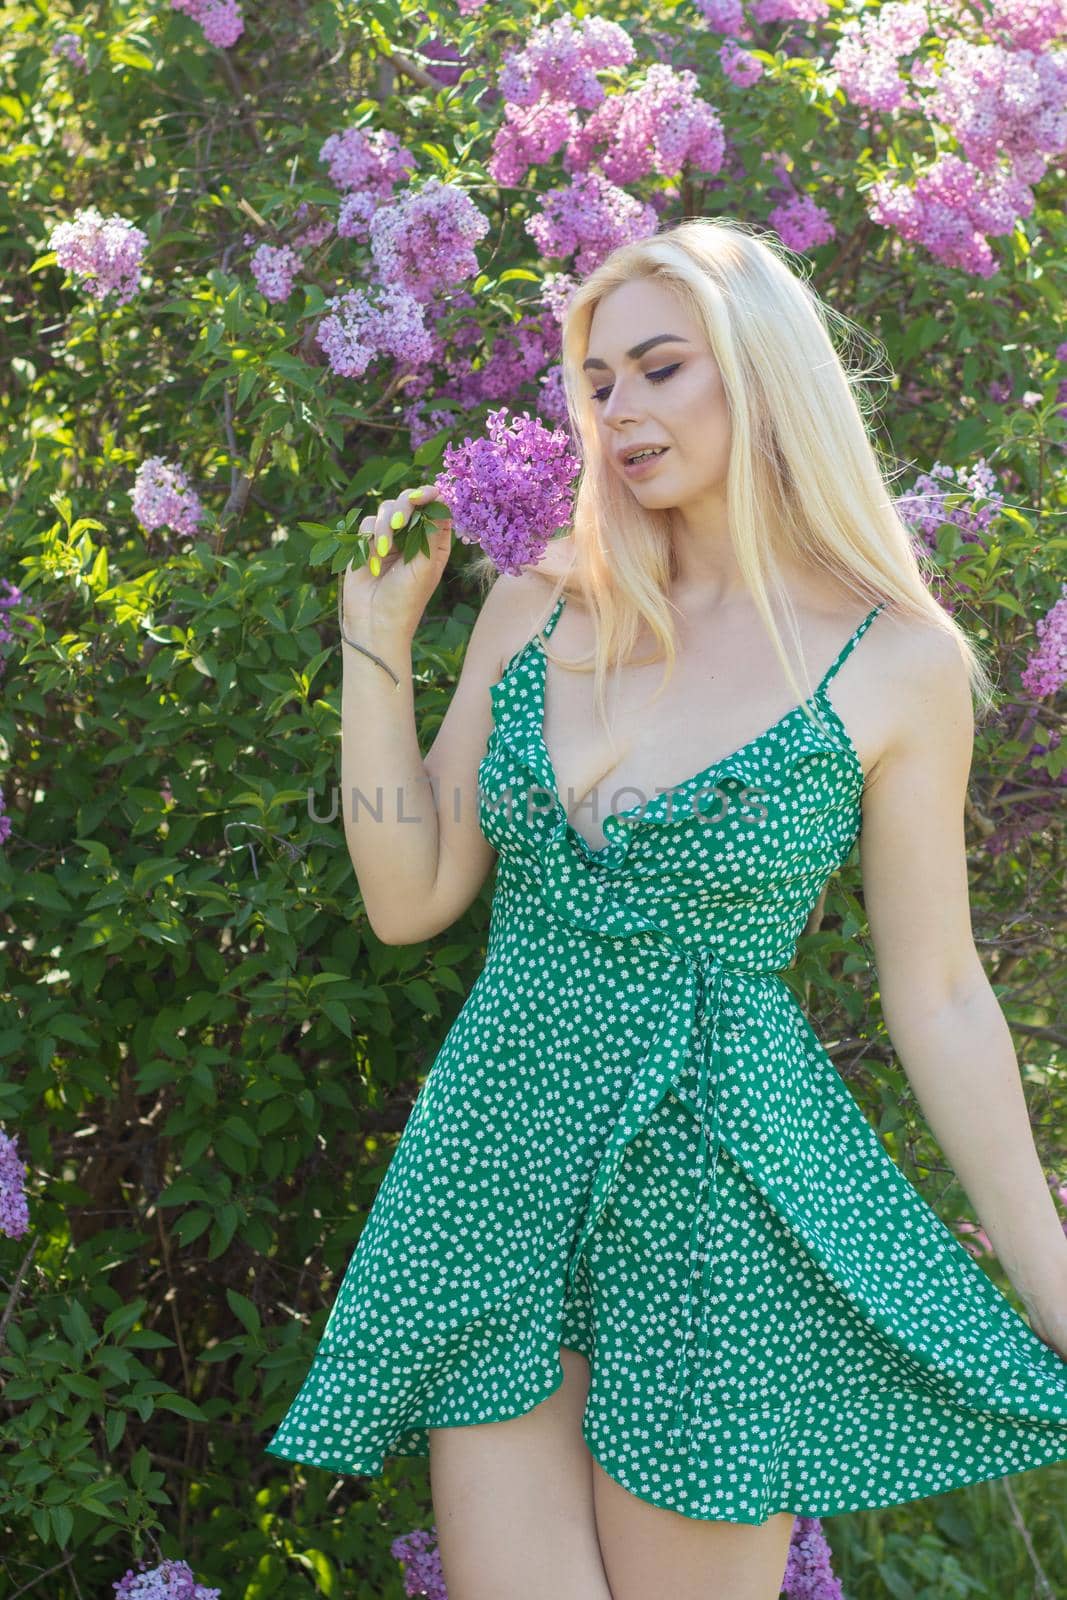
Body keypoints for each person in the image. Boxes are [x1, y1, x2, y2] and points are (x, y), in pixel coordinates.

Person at [265, 218, 1067, 1600]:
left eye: (657, 369)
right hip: (498, 1173)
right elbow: (412, 892)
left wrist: (1055, 1286)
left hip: (713, 1200)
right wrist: (373, 647)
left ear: (759, 375)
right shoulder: (540, 602)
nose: (619, 409)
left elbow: (935, 991)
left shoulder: (895, 659)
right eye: (596, 383)